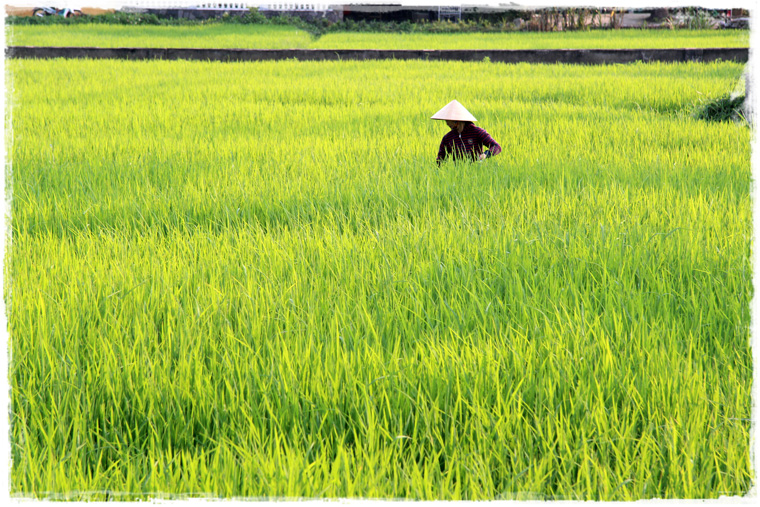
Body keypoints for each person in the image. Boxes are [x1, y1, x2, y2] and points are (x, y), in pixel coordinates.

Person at [431, 100, 502, 165]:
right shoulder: (448, 138)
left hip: (476, 172)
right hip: (457, 174)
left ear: (456, 121)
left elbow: (497, 147)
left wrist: (485, 154)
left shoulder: (477, 132)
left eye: (448, 120)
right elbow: (440, 160)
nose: (446, 123)